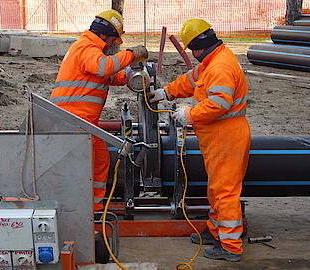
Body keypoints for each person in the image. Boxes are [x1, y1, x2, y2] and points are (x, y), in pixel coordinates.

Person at [149, 19, 250, 262]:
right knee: (216, 188)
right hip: (218, 136)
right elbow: (191, 80)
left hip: (226, 136)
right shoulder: (212, 61)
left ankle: (230, 246)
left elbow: (219, 103)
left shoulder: (220, 67)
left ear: (197, 47)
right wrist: (167, 92)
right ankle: (217, 231)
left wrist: (189, 115)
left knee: (225, 191)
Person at [50, 10, 148, 212]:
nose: (113, 43)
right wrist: (130, 55)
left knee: (101, 159)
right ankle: (80, 211)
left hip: (83, 121)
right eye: (113, 38)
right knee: (84, 165)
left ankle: (93, 209)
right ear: (105, 33)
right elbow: (104, 68)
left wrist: (130, 76)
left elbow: (107, 76)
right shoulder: (87, 47)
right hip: (73, 120)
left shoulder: (91, 50)